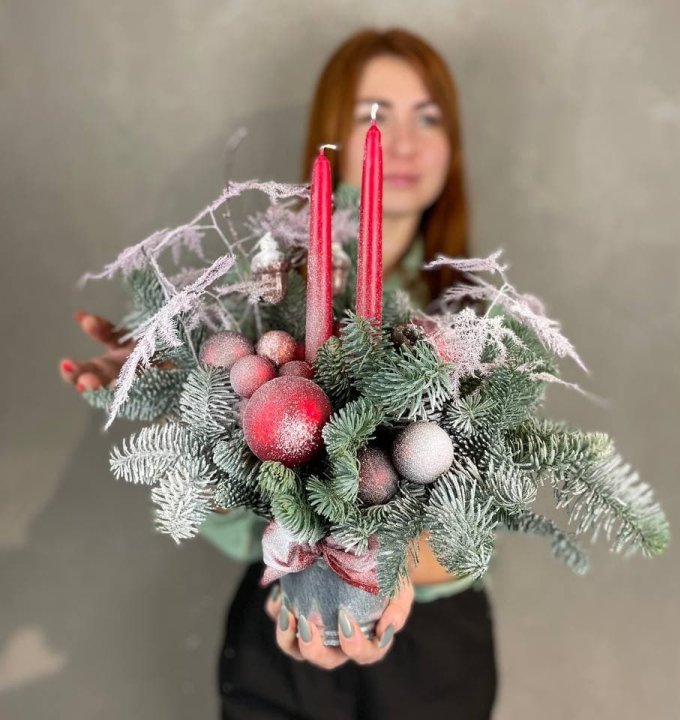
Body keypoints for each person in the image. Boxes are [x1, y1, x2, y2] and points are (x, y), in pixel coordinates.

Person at [59, 28, 497, 720]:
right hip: (280, 626)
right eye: (375, 115)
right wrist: (166, 378)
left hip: (434, 657)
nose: (405, 143)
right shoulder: (265, 298)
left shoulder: (474, 323)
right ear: (333, 132)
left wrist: (378, 570)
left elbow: (482, 529)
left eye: (429, 117)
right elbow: (230, 497)